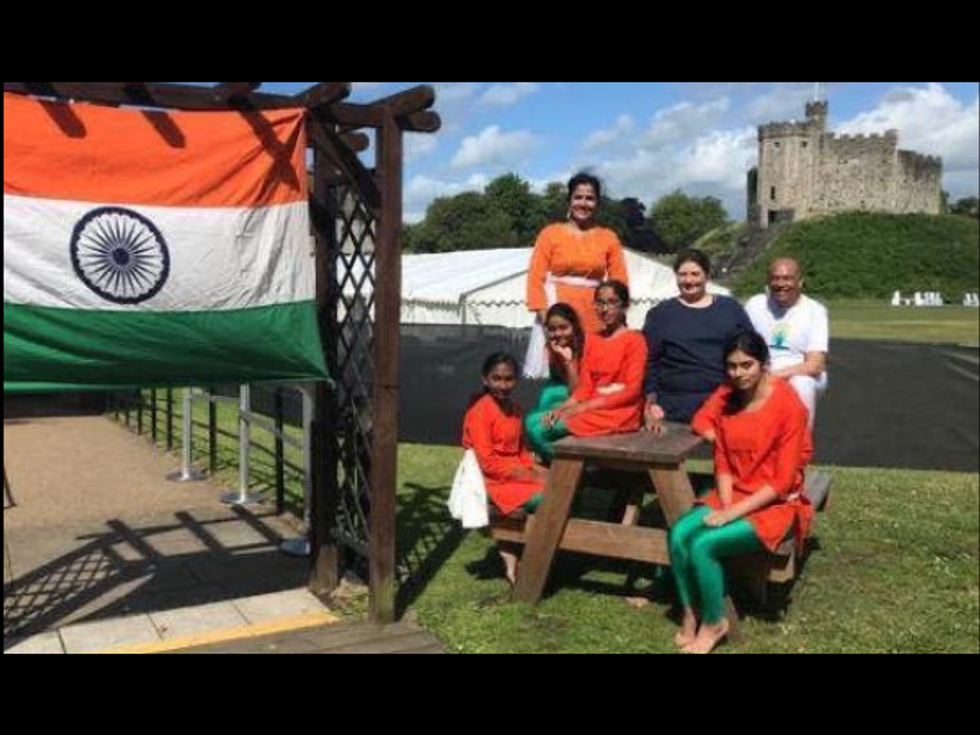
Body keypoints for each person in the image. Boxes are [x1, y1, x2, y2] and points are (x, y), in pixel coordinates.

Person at [669, 331, 814, 654]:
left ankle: (714, 622)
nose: (738, 373)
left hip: (774, 504)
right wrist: (725, 503)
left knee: (704, 545)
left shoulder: (788, 405)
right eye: (732, 366)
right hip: (732, 494)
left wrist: (731, 514)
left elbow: (782, 481)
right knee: (679, 534)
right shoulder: (727, 396)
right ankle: (690, 612)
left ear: (763, 363)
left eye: (746, 365)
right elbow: (721, 460)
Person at [526, 281, 647, 463]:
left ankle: (581, 475)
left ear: (625, 305)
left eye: (611, 302)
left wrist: (582, 408)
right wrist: (562, 408)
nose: (605, 309)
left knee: (539, 429)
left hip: (618, 413)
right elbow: (584, 387)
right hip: (590, 409)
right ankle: (574, 473)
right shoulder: (592, 340)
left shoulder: (635, 341)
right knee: (534, 421)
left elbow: (632, 390)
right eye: (599, 303)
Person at [524, 173, 629, 378]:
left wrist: (615, 319)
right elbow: (535, 280)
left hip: (596, 314)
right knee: (561, 375)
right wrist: (550, 323)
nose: (584, 203)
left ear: (597, 203)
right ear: (569, 200)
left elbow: (620, 284)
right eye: (578, 197)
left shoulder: (609, 238)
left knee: (594, 373)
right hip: (559, 315)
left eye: (589, 198)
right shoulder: (550, 233)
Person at [462, 353, 548, 585]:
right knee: (548, 497)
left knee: (559, 484)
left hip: (512, 474)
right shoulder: (479, 411)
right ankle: (536, 557)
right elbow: (487, 463)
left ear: (516, 380)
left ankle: (526, 554)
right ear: (485, 380)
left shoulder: (516, 409)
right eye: (496, 378)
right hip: (489, 480)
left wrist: (538, 471)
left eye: (508, 379)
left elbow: (521, 452)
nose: (502, 385)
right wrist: (529, 476)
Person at [644, 249, 754, 429]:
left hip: (723, 401)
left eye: (695, 274)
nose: (689, 280)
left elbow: (750, 351)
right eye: (683, 275)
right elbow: (649, 362)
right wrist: (650, 402)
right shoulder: (660, 314)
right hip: (673, 405)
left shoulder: (730, 309)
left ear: (707, 275)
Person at [745, 258, 829, 429]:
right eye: (776, 278)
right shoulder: (755, 305)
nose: (781, 283)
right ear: (768, 282)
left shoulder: (815, 311)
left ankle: (800, 446)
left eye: (787, 278)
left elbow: (815, 365)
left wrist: (772, 376)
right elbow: (741, 345)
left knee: (802, 383)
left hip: (798, 372)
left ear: (800, 282)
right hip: (762, 370)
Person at [525, 303, 587, 442]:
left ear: (574, 327)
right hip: (571, 396)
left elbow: (578, 393)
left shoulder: (588, 348)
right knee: (540, 409)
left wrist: (569, 362)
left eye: (563, 327)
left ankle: (567, 460)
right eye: (552, 329)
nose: (558, 333)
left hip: (586, 402)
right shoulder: (554, 348)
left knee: (536, 427)